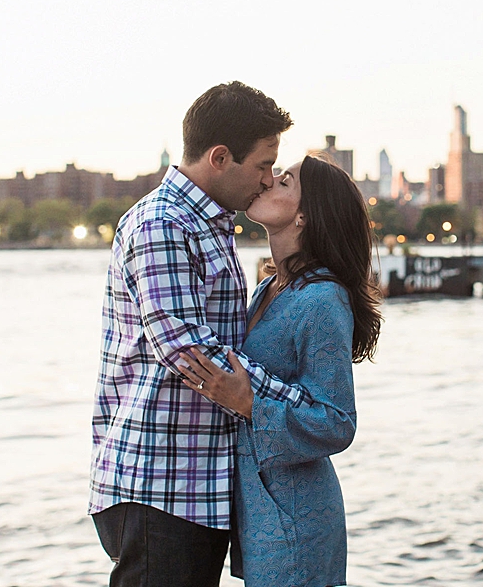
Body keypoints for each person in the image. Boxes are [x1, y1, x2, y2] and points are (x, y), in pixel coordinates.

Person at [90, 81, 317, 587]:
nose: (266, 180)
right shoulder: (163, 224)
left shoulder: (209, 227)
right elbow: (188, 350)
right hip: (159, 483)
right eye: (262, 165)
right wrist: (298, 406)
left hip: (194, 486)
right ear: (220, 157)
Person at [176, 154, 383, 587]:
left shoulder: (322, 300)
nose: (268, 181)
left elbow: (338, 421)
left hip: (297, 514)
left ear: (306, 215)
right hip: (261, 507)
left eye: (284, 181)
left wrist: (249, 402)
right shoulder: (268, 288)